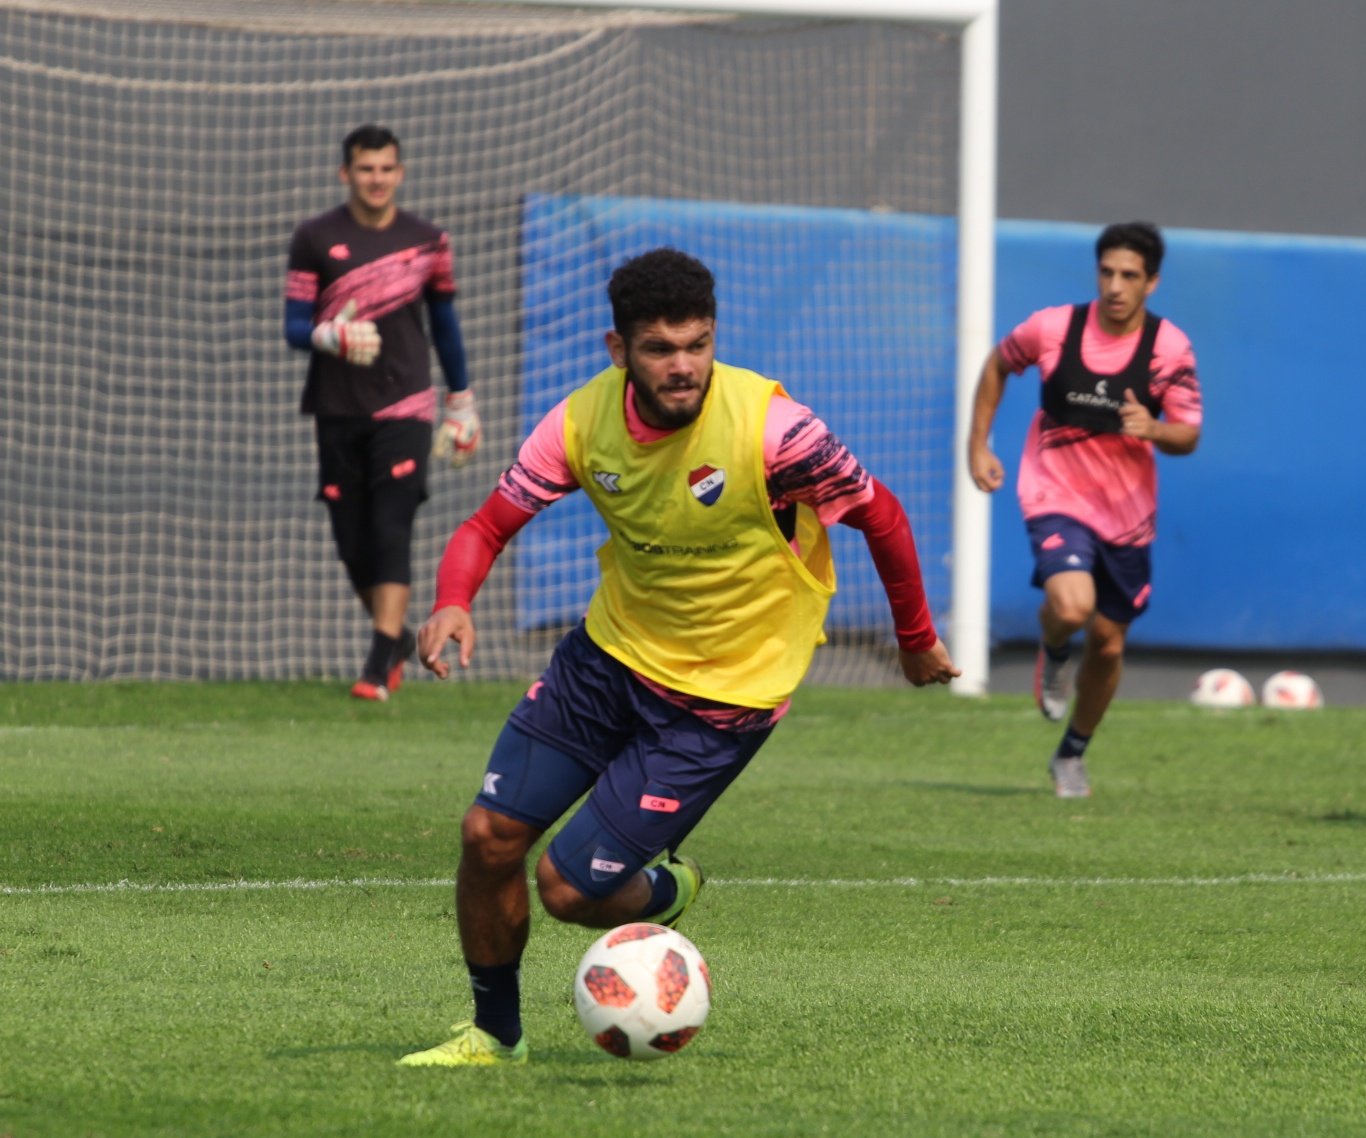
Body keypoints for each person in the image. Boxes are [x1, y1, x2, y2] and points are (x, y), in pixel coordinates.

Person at [398, 247, 960, 1067]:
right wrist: (454, 600)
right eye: (660, 349)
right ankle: (494, 1035)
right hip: (609, 657)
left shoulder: (774, 430)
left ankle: (668, 888)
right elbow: (487, 526)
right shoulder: (579, 422)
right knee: (487, 835)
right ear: (617, 349)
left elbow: (882, 515)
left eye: (697, 344)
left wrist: (914, 643)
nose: (683, 366)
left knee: (566, 891)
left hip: (723, 698)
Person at [968, 221, 1202, 799]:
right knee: (1073, 607)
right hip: (1054, 492)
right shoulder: (1053, 329)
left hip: (1127, 511)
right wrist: (979, 442)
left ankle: (1071, 754)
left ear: (1152, 282)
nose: (1115, 286)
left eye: (1129, 275)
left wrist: (1155, 428)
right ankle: (1053, 650)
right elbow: (998, 364)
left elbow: (1189, 434)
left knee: (1109, 642)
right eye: (1107, 272)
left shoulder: (1169, 349)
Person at [284, 124, 482, 701]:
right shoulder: (315, 238)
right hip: (337, 407)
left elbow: (444, 325)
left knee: (392, 526)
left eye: (386, 168)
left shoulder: (427, 241)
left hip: (407, 406)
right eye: (366, 169)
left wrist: (462, 401)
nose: (377, 178)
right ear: (346, 173)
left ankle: (377, 665)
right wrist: (330, 337)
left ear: (401, 172)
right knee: (352, 540)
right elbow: (294, 325)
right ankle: (393, 639)